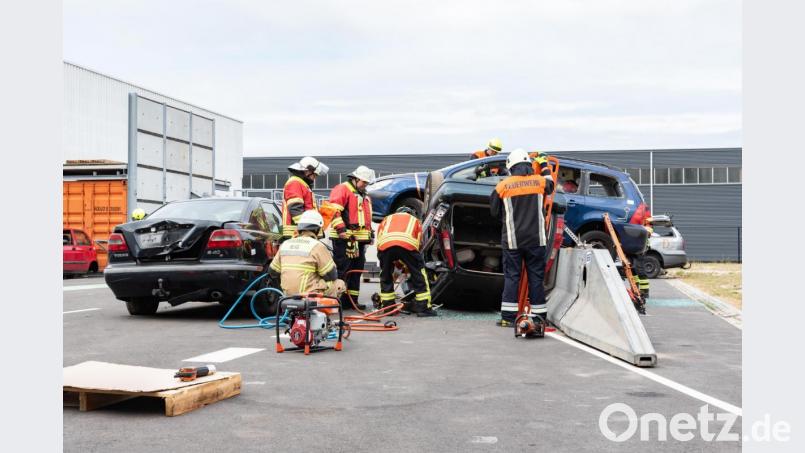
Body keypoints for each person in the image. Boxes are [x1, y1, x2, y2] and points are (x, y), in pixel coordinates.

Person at [489, 148, 555, 327]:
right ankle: (539, 317)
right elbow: (551, 184)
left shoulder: (503, 185)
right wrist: (543, 164)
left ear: (511, 167)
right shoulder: (539, 181)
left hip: (512, 240)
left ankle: (508, 318)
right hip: (536, 240)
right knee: (536, 278)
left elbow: (494, 212)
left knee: (512, 277)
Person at [376, 206, 438, 317]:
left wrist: (392, 262)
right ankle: (423, 308)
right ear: (411, 214)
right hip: (407, 246)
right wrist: (410, 265)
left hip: (384, 246)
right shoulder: (415, 221)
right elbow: (419, 244)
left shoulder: (387, 218)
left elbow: (380, 236)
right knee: (419, 273)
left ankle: (387, 307)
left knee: (385, 275)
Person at [268, 210, 345, 299]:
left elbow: (272, 272)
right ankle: (319, 311)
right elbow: (332, 275)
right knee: (339, 284)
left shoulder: (285, 244)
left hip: (287, 294)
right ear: (317, 229)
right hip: (307, 295)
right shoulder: (317, 246)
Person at [328, 165, 375, 310]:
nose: (365, 185)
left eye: (367, 183)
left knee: (357, 269)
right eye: (363, 182)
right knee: (343, 269)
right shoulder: (342, 189)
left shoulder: (364, 195)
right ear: (355, 179)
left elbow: (366, 217)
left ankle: (352, 300)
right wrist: (341, 229)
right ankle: (339, 299)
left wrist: (370, 234)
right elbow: (334, 211)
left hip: (359, 241)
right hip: (343, 239)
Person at [281, 156, 329, 241]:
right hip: (297, 233)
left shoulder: (302, 184)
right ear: (308, 171)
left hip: (301, 232)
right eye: (315, 174)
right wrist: (307, 229)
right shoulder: (295, 183)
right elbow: (295, 209)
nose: (315, 177)